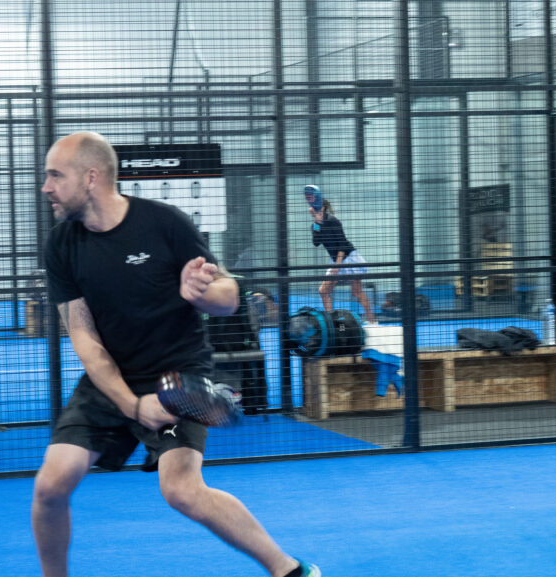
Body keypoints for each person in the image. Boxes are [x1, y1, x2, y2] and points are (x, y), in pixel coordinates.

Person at [32, 132, 320, 577]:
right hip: (110, 380)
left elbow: (228, 295)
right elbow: (84, 338)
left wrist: (202, 293)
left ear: (91, 177)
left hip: (177, 376)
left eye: (55, 175)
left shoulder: (165, 223)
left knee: (182, 490)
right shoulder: (61, 245)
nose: (46, 186)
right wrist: (131, 405)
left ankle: (290, 571)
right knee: (51, 485)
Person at [303, 185, 376, 323]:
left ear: (320, 206)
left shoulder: (332, 221)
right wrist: (317, 223)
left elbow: (342, 243)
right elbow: (316, 243)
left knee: (357, 292)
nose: (309, 206)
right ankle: (332, 323)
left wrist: (337, 265)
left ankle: (372, 321)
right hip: (336, 260)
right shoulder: (315, 225)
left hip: (348, 258)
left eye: (312, 204)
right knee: (324, 291)